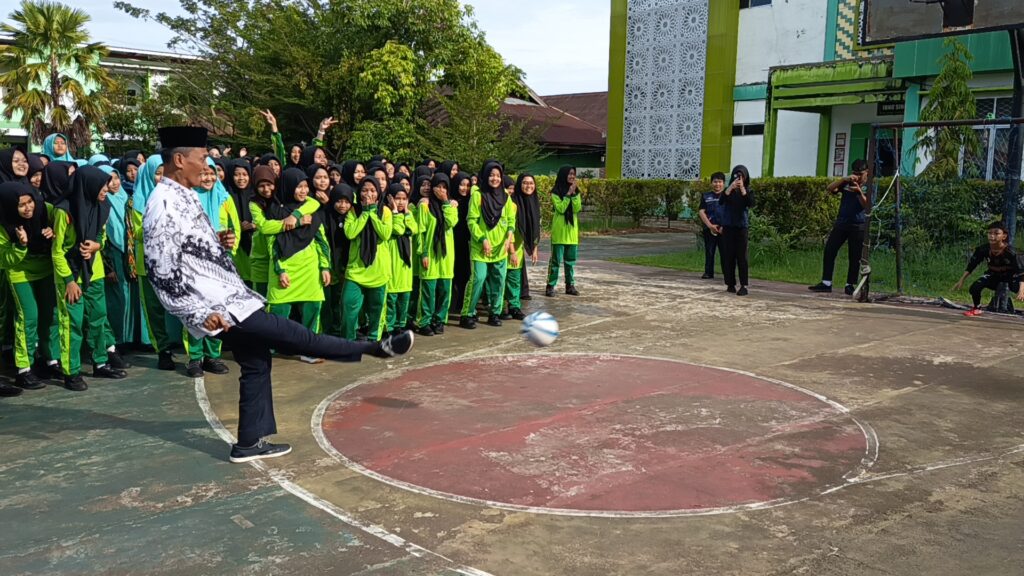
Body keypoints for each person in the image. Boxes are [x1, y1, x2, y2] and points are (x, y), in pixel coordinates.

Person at [143, 126, 413, 463]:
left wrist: (218, 243)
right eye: (202, 159)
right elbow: (160, 272)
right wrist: (196, 314)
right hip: (222, 307)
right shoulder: (162, 204)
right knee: (295, 335)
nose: (208, 167)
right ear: (180, 160)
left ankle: (248, 443)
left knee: (257, 362)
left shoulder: (185, 196)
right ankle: (373, 348)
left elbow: (190, 252)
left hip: (231, 297)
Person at [52, 166, 127, 391]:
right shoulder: (64, 212)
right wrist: (69, 281)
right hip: (71, 275)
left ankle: (101, 362)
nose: (107, 189)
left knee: (98, 318)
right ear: (89, 186)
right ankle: (71, 371)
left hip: (94, 273)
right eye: (103, 185)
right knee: (72, 324)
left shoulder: (101, 207)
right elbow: (56, 251)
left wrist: (97, 245)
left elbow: (101, 238)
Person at [265, 168, 331, 363]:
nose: (303, 191)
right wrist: (280, 270)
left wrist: (325, 267)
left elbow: (321, 241)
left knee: (313, 307)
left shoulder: (312, 209)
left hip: (310, 267)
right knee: (279, 310)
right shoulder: (275, 211)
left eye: (305, 187)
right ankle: (277, 345)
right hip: (285, 267)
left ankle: (309, 349)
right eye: (298, 187)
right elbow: (272, 244)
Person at [0, 182, 59, 393]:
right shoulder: (3, 222)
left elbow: (63, 226)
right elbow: (5, 260)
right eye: (21, 205)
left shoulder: (46, 210)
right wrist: (21, 245)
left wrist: (54, 233)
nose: (28, 208)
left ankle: (51, 359)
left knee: (50, 315)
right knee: (28, 316)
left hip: (44, 267)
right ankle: (24, 369)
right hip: (19, 270)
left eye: (29, 202)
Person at [460, 161, 515, 328]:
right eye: (491, 175)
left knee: (499, 280)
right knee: (479, 278)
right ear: (485, 175)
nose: (495, 178)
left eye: (498, 176)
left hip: (500, 248)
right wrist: (482, 239)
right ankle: (467, 313)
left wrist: (508, 238)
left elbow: (511, 220)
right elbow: (471, 221)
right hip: (481, 247)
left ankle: (495, 313)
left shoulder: (505, 195)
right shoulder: (477, 194)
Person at [809, 160, 871, 295]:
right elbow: (830, 188)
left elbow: (867, 205)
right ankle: (826, 283)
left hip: (858, 226)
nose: (857, 176)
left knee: (854, 257)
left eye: (860, 174)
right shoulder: (847, 183)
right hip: (841, 223)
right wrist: (844, 179)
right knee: (830, 250)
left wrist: (859, 191)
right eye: (855, 173)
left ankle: (850, 285)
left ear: (867, 172)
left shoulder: (870, 185)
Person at [341, 178, 392, 341]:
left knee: (376, 308)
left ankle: (373, 338)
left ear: (378, 192)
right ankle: (347, 340)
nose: (368, 194)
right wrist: (365, 213)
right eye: (364, 190)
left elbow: (385, 234)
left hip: (378, 270)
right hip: (356, 269)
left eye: (372, 190)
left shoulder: (385, 211)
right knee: (348, 305)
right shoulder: (353, 212)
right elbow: (350, 233)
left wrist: (373, 213)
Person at [953, 221, 1024, 316]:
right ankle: (977, 308)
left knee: (1018, 289)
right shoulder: (983, 249)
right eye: (990, 233)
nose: (992, 236)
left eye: (996, 233)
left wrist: (1021, 290)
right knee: (974, 288)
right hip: (993, 275)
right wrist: (961, 280)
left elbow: (1021, 272)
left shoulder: (1012, 253)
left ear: (1004, 236)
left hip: (1011, 277)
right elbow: (972, 265)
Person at [417, 173, 458, 335]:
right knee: (428, 289)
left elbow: (451, 222)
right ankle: (424, 321)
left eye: (444, 187)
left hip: (446, 255)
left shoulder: (451, 206)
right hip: (430, 253)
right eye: (438, 187)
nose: (440, 190)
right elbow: (420, 231)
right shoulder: (424, 206)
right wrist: (423, 253)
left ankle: (439, 320)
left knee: (444, 290)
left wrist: (446, 202)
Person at [384, 183, 418, 336]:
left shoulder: (408, 214)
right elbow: (398, 230)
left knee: (404, 297)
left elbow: (413, 229)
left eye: (404, 199)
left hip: (405, 264)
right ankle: (389, 326)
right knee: (391, 298)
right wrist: (396, 213)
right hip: (392, 262)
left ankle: (400, 324)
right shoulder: (387, 214)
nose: (401, 202)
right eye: (397, 198)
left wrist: (406, 214)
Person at [505, 173, 540, 320]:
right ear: (519, 184)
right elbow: (509, 227)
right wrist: (512, 251)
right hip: (507, 246)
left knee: (514, 278)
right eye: (525, 183)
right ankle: (499, 308)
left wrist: (534, 247)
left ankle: (514, 307)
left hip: (517, 248)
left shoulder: (534, 202)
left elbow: (536, 226)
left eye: (531, 183)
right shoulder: (512, 203)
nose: (528, 186)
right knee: (502, 278)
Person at [545, 166, 582, 297]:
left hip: (572, 233)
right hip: (559, 232)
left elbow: (577, 208)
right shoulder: (556, 192)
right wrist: (567, 195)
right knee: (555, 261)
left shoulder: (576, 191)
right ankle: (550, 286)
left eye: (573, 174)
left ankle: (569, 285)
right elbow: (560, 208)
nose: (572, 176)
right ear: (563, 175)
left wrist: (574, 193)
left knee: (570, 261)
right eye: (569, 174)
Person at [720, 165, 754, 296]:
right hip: (728, 227)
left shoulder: (748, 191)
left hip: (741, 228)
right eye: (736, 176)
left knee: (742, 257)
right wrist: (730, 188)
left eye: (741, 176)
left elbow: (750, 203)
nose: (738, 178)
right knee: (728, 256)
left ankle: (744, 285)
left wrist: (742, 189)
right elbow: (721, 201)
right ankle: (730, 283)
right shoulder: (729, 191)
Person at [698, 172, 726, 280]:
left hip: (724, 229)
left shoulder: (728, 196)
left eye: (719, 182)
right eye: (715, 181)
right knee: (709, 251)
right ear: (711, 183)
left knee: (725, 252)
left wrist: (724, 226)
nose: (717, 184)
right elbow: (701, 211)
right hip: (710, 229)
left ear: (723, 183)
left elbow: (731, 212)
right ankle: (708, 272)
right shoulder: (706, 196)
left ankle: (727, 273)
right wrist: (710, 226)